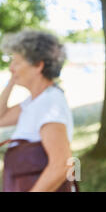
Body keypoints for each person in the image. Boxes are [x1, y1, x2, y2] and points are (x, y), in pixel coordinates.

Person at [0, 30, 76, 192]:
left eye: (17, 62)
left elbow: (61, 164)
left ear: (38, 65)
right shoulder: (34, 102)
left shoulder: (49, 103)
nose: (11, 68)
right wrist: (11, 82)